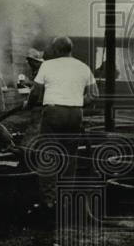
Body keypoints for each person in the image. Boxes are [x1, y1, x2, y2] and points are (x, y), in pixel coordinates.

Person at [26, 35, 98, 209]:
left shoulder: (47, 65)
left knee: (49, 155)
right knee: (69, 156)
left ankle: (49, 200)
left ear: (56, 50)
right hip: (75, 114)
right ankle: (65, 199)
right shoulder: (83, 67)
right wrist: (77, 103)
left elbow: (36, 92)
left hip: (53, 113)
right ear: (70, 49)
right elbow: (94, 94)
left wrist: (29, 104)